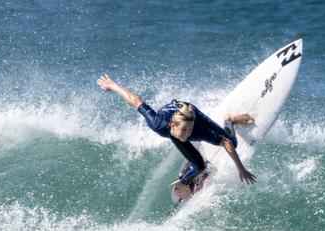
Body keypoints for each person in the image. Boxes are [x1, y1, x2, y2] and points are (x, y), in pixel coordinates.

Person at [97, 74, 256, 200]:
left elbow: (226, 142)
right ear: (173, 126)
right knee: (199, 165)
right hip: (173, 120)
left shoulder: (195, 129)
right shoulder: (158, 124)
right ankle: (188, 174)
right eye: (185, 130)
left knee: (232, 142)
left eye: (189, 130)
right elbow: (135, 100)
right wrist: (113, 86)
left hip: (190, 112)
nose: (188, 134)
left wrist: (241, 168)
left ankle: (229, 119)